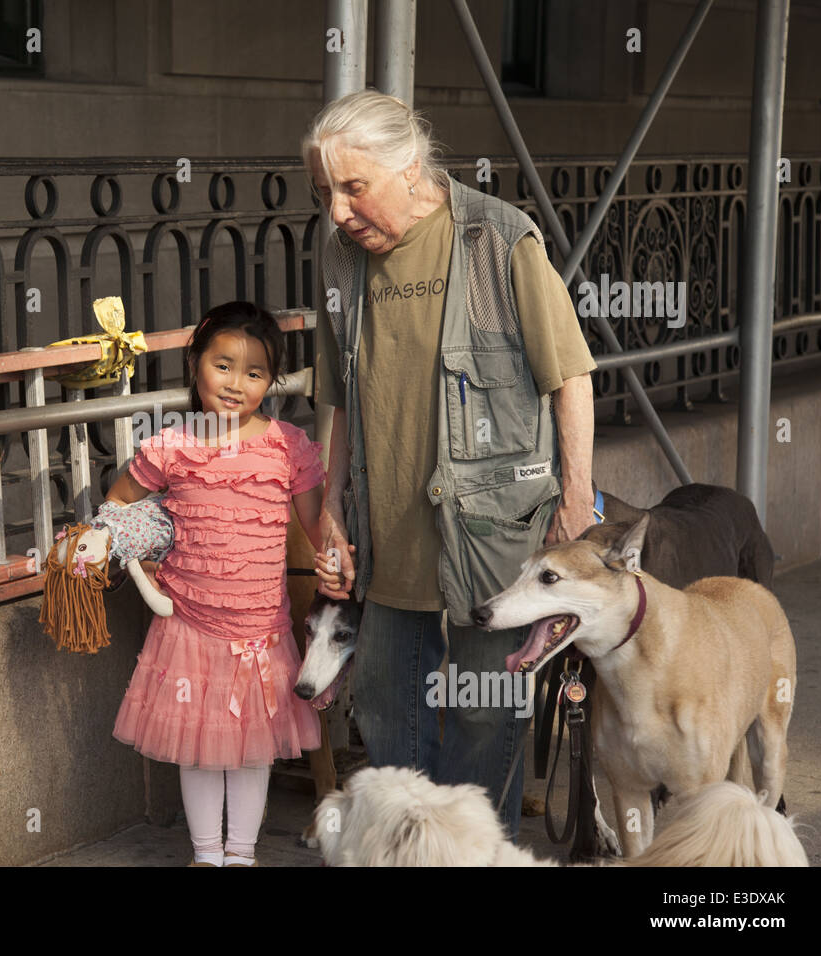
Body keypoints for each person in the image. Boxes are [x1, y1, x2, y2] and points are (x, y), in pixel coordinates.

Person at [303, 90, 597, 839]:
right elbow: (336, 393)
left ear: (408, 167)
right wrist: (330, 505)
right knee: (384, 706)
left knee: (480, 708)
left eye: (353, 187)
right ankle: (404, 850)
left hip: (492, 530)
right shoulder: (339, 258)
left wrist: (575, 501)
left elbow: (570, 376)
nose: (337, 211)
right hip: (387, 526)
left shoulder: (497, 240)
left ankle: (475, 853)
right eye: (326, 192)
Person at [107, 300, 326, 867]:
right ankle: (206, 857)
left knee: (254, 752)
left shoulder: (287, 445)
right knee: (198, 750)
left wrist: (337, 558)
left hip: (261, 628)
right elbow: (117, 504)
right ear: (195, 363)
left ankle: (243, 856)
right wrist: (142, 554)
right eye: (223, 365)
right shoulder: (171, 445)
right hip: (188, 626)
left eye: (255, 373)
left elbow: (317, 526)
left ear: (271, 382)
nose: (235, 384)